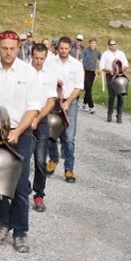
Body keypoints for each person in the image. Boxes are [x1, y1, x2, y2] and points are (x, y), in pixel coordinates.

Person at [0, 30, 40, 253]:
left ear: (19, 48)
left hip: (19, 133)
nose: (8, 52)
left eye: (12, 48)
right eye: (4, 48)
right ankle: (4, 222)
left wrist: (18, 130)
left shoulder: (28, 72)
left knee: (21, 185)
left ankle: (20, 232)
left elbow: (33, 107)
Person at [48, 36, 85, 183]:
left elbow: (78, 87)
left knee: (69, 138)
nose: (63, 51)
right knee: (51, 133)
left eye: (66, 48)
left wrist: (68, 102)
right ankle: (54, 158)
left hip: (70, 101)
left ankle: (69, 168)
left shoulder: (76, 65)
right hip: (53, 101)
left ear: (70, 48)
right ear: (58, 48)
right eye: (61, 48)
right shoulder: (50, 62)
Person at [29, 43, 59, 212]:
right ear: (31, 56)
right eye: (36, 58)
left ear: (45, 58)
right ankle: (20, 189)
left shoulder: (50, 75)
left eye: (42, 59)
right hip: (25, 118)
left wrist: (38, 118)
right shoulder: (24, 72)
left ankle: (39, 194)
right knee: (22, 160)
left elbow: (51, 101)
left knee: (40, 160)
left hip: (41, 119)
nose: (39, 62)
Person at [100, 39, 129, 123]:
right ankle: (109, 113)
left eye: (114, 44)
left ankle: (119, 115)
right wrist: (109, 71)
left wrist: (122, 69)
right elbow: (102, 66)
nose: (113, 46)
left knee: (121, 96)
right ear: (108, 45)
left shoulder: (121, 53)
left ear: (117, 44)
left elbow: (126, 64)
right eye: (111, 44)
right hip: (110, 76)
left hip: (120, 76)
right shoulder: (105, 54)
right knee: (112, 96)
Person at [81, 37, 100, 113]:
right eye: (91, 43)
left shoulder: (97, 52)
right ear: (89, 44)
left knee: (89, 89)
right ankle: (91, 106)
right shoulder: (85, 51)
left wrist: (100, 69)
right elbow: (81, 60)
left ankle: (84, 103)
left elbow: (102, 59)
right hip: (85, 71)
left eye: (94, 43)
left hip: (92, 72)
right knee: (88, 88)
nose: (93, 45)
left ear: (96, 44)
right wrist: (82, 70)